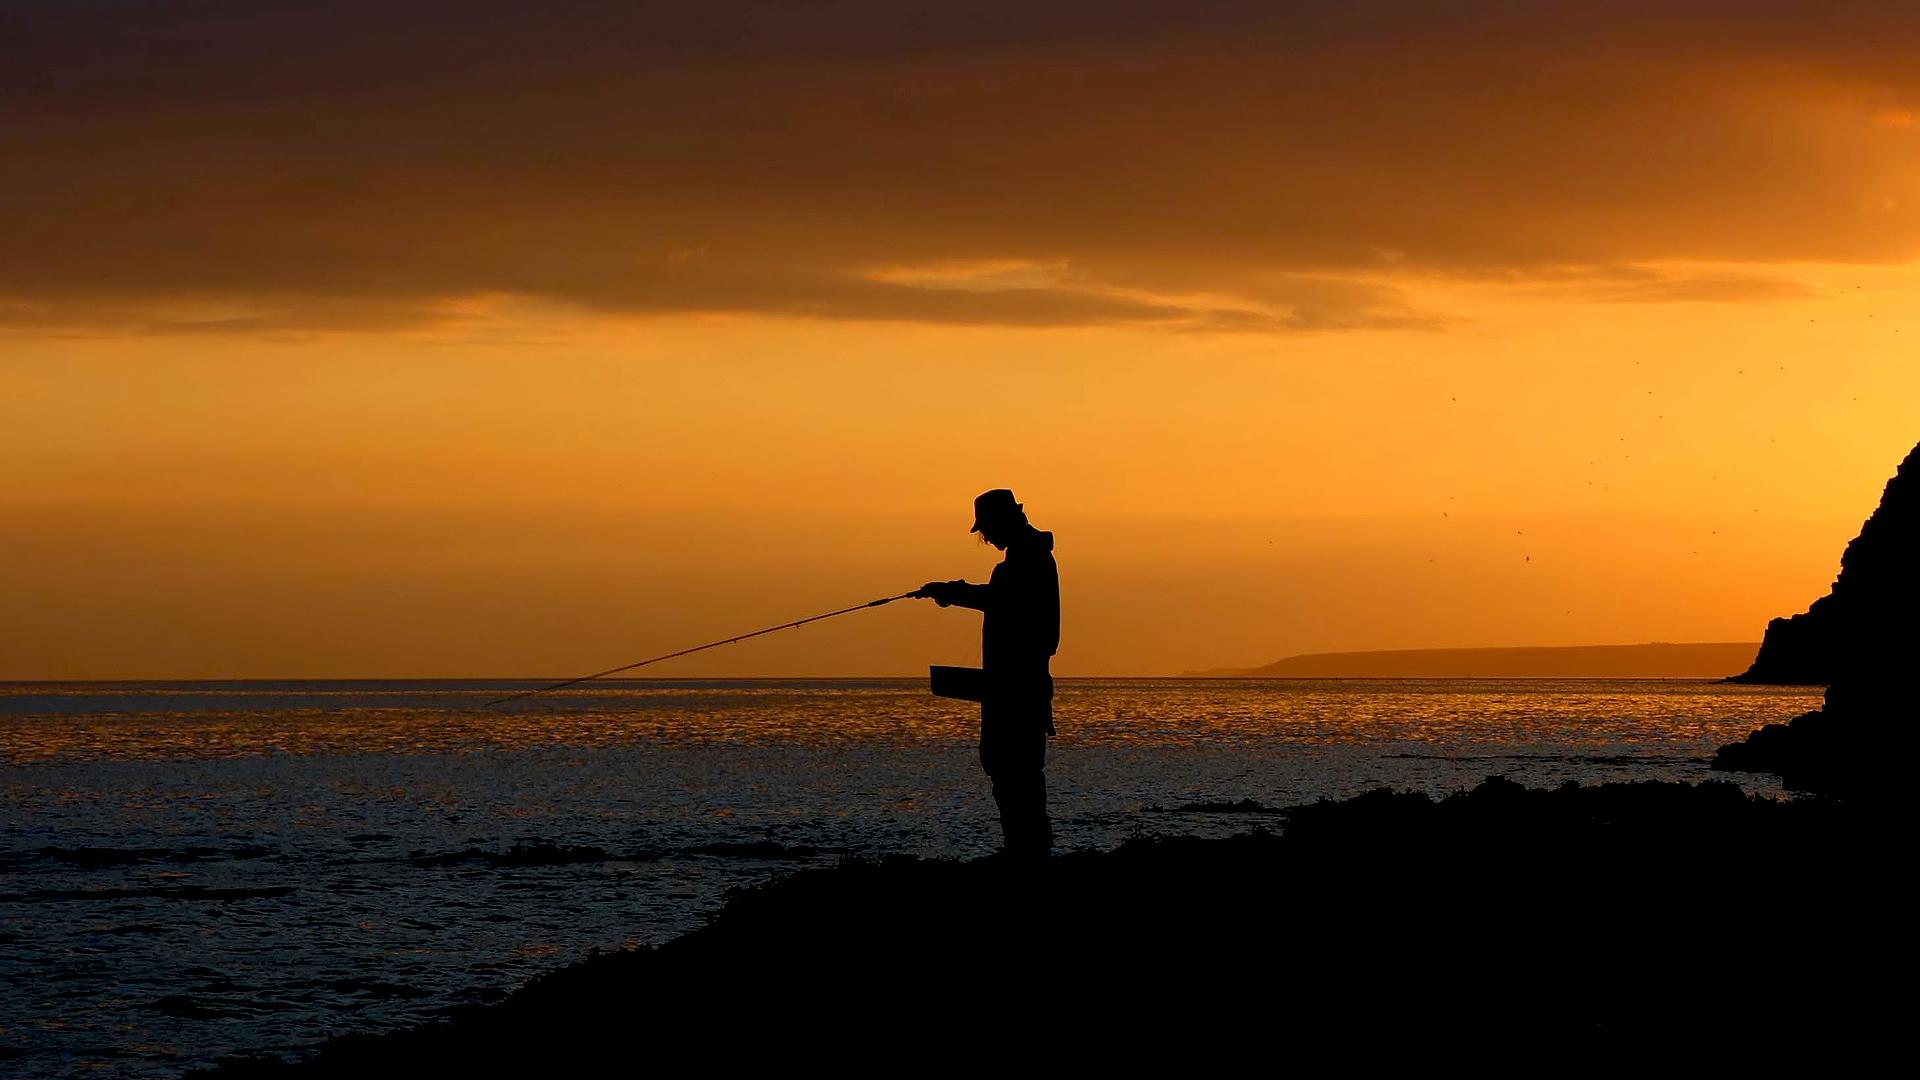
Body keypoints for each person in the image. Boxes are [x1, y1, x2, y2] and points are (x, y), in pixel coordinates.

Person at [916, 489, 1060, 857]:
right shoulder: (1027, 555)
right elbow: (999, 598)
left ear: (1005, 521)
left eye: (987, 529)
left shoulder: (1028, 558)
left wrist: (950, 591)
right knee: (1010, 767)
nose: (987, 538)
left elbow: (1000, 600)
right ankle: (1025, 846)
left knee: (1015, 769)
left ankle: (1027, 849)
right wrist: (951, 591)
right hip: (1013, 685)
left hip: (1017, 687)